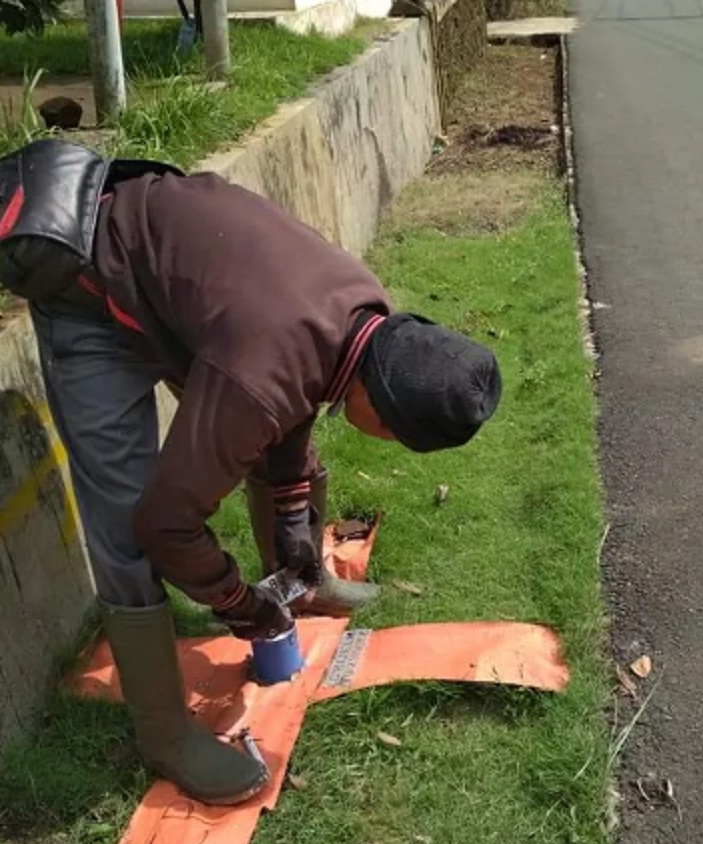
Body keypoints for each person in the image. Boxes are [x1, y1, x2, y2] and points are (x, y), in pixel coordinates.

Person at [0, 140, 501, 806]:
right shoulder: (263, 375)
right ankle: (165, 734)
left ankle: (301, 583)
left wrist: (293, 557)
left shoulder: (362, 314)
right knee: (126, 524)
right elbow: (167, 523)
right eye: (394, 438)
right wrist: (239, 603)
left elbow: (293, 406)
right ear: (381, 410)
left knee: (281, 449)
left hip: (175, 289)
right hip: (92, 296)